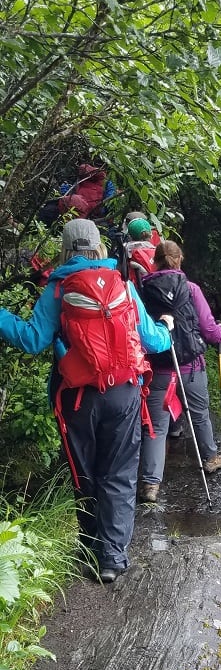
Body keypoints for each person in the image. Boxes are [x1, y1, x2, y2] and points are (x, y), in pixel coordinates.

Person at [0, 218, 174, 583]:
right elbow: (154, 341)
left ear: (65, 248)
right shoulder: (122, 281)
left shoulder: (60, 287)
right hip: (124, 392)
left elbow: (32, 340)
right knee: (121, 473)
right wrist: (166, 328)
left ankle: (90, 548)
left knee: (85, 473)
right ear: (99, 246)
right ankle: (112, 559)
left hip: (78, 397)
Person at [139, 240, 221, 503]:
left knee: (156, 427)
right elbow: (210, 330)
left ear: (154, 261)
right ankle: (210, 457)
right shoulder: (191, 289)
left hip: (159, 368)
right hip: (190, 367)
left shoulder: (144, 291)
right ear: (180, 259)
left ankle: (151, 484)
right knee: (199, 414)